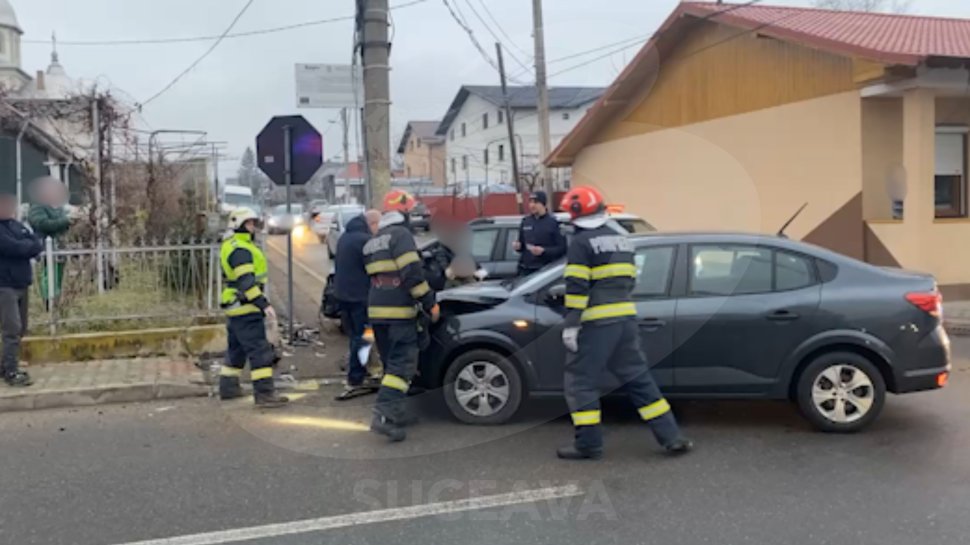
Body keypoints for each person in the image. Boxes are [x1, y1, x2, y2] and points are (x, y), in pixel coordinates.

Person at [557, 185, 692, 460]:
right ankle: (671, 436)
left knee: (581, 382)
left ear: (576, 215)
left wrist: (571, 324)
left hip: (596, 325)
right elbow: (630, 281)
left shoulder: (582, 243)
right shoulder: (622, 240)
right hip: (625, 322)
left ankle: (588, 444)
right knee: (639, 379)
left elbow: (577, 287)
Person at [363, 190, 439, 442]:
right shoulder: (401, 236)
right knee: (402, 366)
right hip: (399, 312)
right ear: (404, 212)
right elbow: (412, 275)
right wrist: (429, 303)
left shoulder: (374, 240)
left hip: (377, 310)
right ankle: (383, 417)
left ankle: (397, 413)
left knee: (390, 365)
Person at [218, 207, 288, 408]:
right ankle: (265, 395)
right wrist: (264, 304)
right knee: (260, 351)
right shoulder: (241, 249)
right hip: (246, 308)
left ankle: (228, 388)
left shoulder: (232, 245)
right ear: (239, 224)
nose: (253, 227)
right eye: (249, 223)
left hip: (235, 307)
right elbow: (247, 283)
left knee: (236, 350)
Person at [334, 209, 382, 399]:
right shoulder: (365, 241)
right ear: (372, 224)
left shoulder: (346, 237)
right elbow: (375, 269)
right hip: (361, 298)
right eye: (379, 225)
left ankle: (364, 370)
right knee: (365, 337)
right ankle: (356, 377)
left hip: (344, 296)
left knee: (356, 336)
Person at [0, 194, 43, 387]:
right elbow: (13, 248)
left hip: (21, 283)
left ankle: (4, 366)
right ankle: (11, 371)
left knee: (22, 328)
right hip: (4, 285)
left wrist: (28, 245)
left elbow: (36, 243)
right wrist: (28, 246)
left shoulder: (17, 225)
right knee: (12, 328)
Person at [27, 177, 72, 306]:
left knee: (57, 274)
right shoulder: (37, 208)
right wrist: (66, 221)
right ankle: (48, 299)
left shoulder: (58, 208)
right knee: (48, 274)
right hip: (45, 246)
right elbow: (42, 224)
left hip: (59, 246)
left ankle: (55, 298)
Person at [513, 190, 566, 276]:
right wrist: (517, 246)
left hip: (544, 271)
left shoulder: (554, 223)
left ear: (543, 204)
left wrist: (544, 251)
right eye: (530, 202)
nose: (532, 205)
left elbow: (562, 249)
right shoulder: (526, 221)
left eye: (535, 202)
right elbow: (522, 245)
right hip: (526, 270)